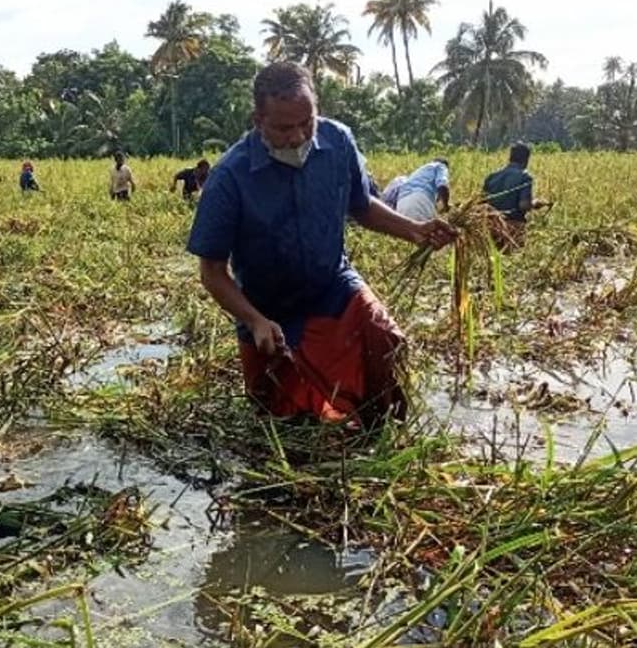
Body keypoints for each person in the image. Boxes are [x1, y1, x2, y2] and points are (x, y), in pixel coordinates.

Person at [187, 62, 457, 426]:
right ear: (258, 120)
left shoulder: (338, 142)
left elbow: (360, 206)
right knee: (285, 416)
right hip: (269, 311)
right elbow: (213, 272)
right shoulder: (229, 178)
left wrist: (415, 230)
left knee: (385, 342)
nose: (298, 137)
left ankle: (380, 428)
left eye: (306, 122)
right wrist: (255, 321)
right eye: (283, 128)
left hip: (333, 286)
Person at [483, 142, 547, 251]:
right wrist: (536, 203)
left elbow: (482, 203)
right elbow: (524, 205)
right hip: (513, 228)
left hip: (491, 226)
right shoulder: (525, 177)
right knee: (512, 259)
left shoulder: (492, 177)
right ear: (526, 159)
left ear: (510, 157)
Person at [382, 158, 450, 221]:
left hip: (401, 205)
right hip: (418, 201)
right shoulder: (440, 166)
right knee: (425, 231)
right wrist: (446, 206)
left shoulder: (419, 172)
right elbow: (442, 186)